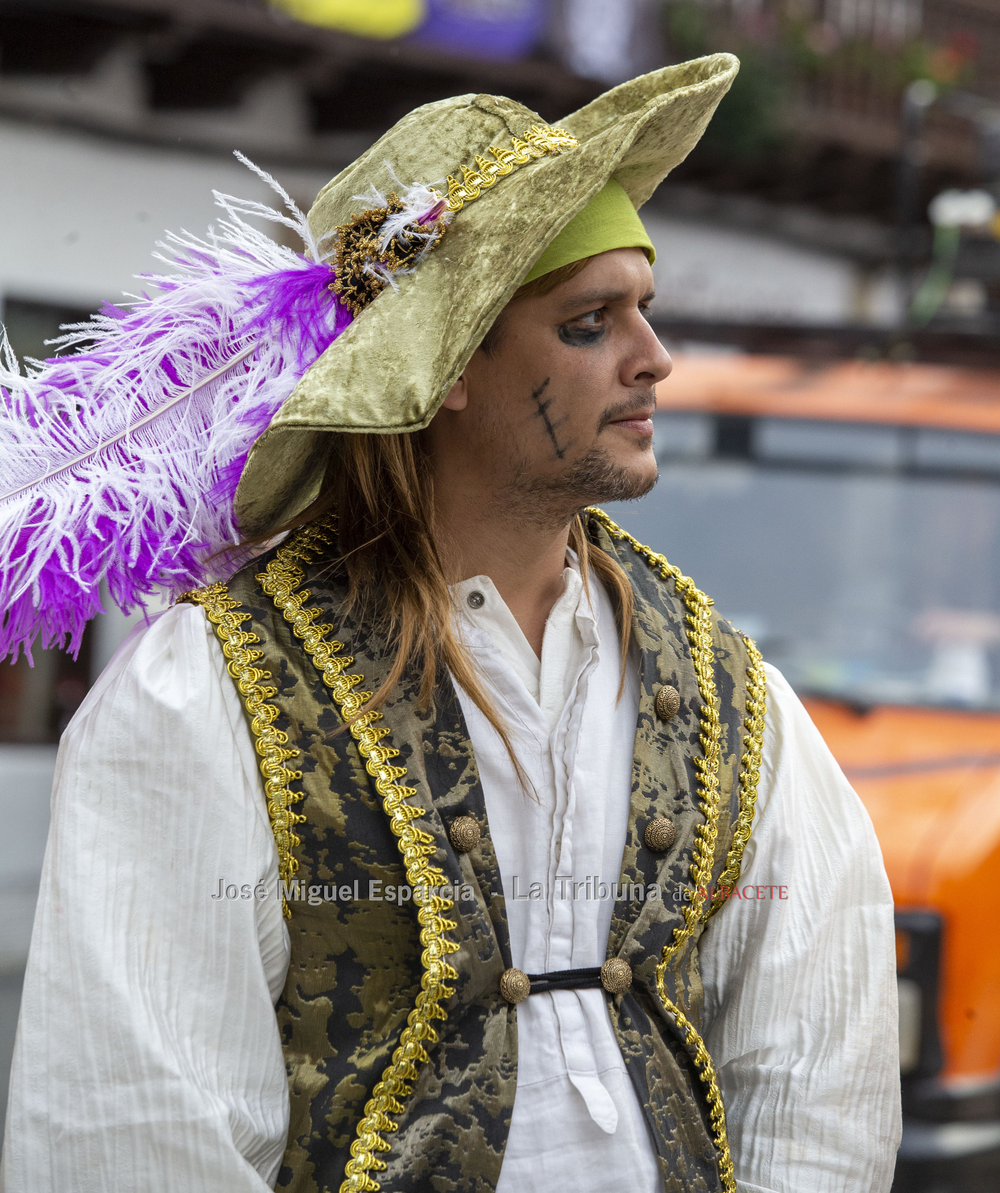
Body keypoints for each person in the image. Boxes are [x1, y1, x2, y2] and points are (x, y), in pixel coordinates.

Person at [0, 57, 901, 1193]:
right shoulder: (211, 689)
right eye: (589, 323)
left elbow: (818, 1076)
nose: (653, 357)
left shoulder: (721, 684)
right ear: (449, 369)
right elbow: (133, 1131)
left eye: (644, 309)